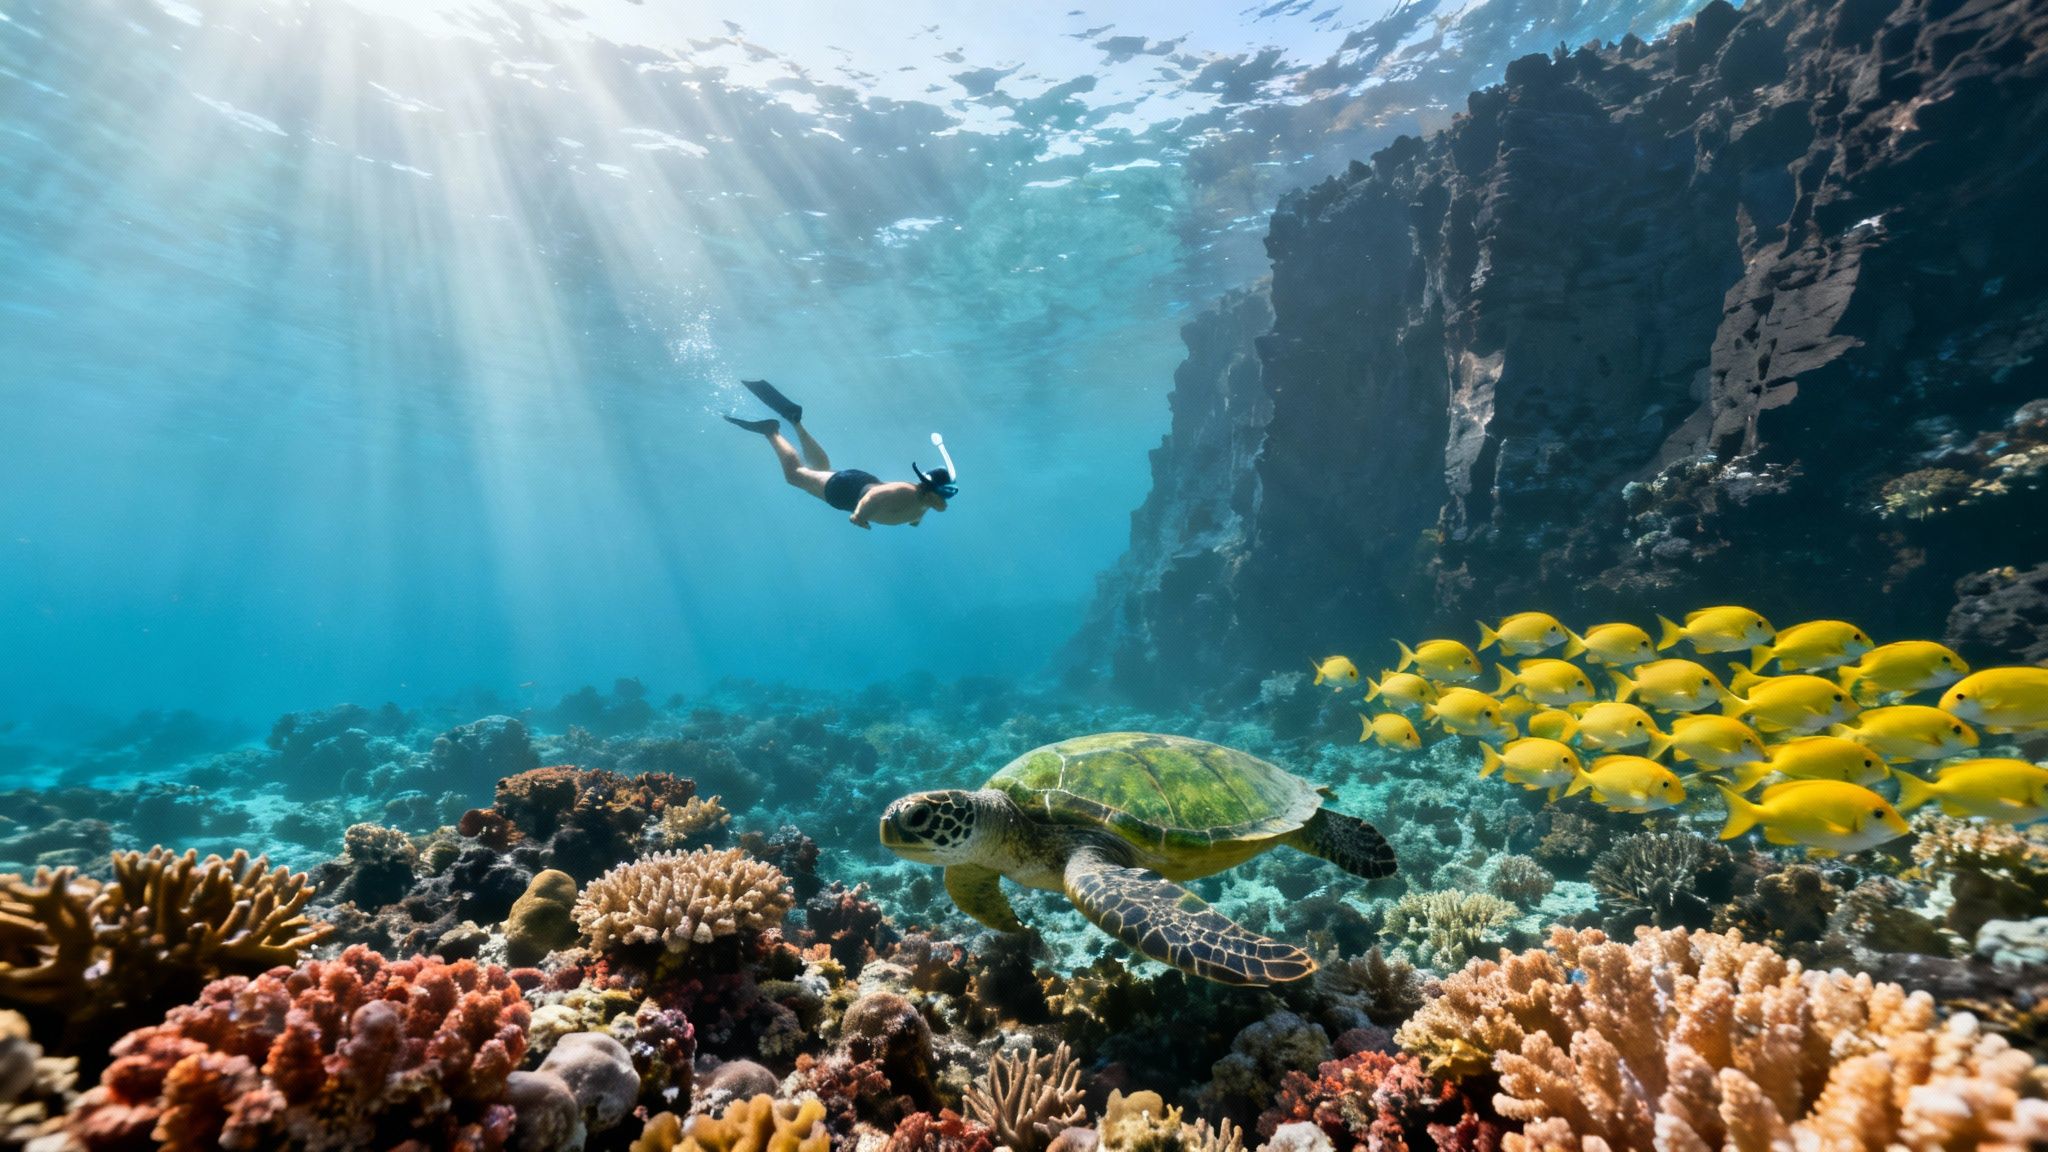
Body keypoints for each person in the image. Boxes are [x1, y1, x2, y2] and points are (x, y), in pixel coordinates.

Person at [724, 379, 957, 529]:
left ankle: (795, 421)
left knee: (819, 471)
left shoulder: (923, 501)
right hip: (844, 490)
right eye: (944, 495)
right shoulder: (905, 491)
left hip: (851, 486)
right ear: (930, 491)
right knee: (795, 476)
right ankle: (771, 431)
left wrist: (915, 520)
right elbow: (872, 498)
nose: (946, 501)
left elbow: (914, 510)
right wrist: (858, 516)